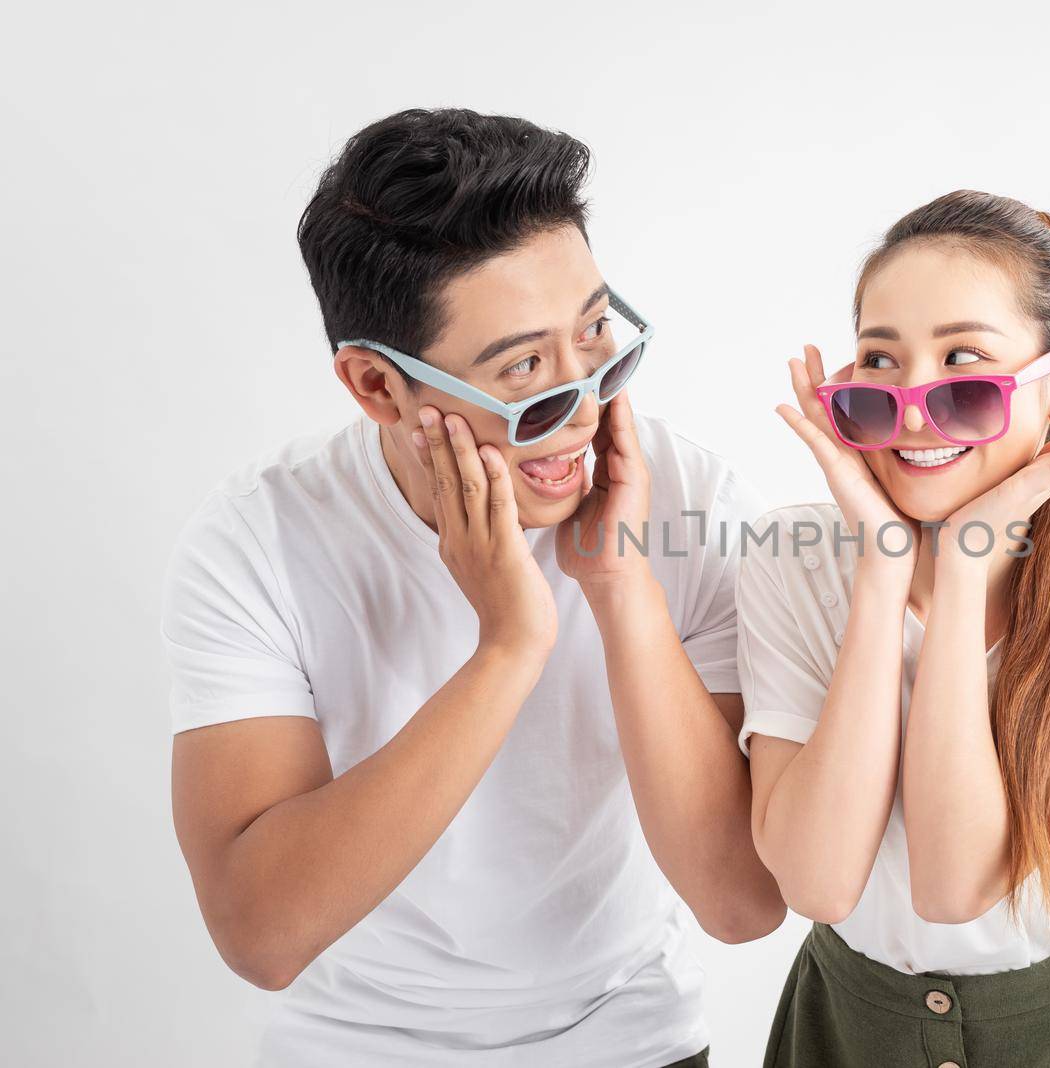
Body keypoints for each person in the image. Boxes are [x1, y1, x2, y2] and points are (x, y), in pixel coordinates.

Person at [160, 107, 785, 1068]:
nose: (584, 411)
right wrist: (508, 648)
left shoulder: (690, 498)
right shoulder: (258, 538)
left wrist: (619, 584)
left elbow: (739, 905)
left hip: (632, 1040)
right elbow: (260, 937)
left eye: (599, 339)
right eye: (528, 374)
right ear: (376, 387)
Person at [735, 190, 1050, 1066]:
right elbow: (819, 880)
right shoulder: (790, 556)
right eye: (879, 359)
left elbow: (955, 883)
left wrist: (966, 563)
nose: (913, 404)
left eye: (964, 362)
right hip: (843, 1022)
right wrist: (883, 568)